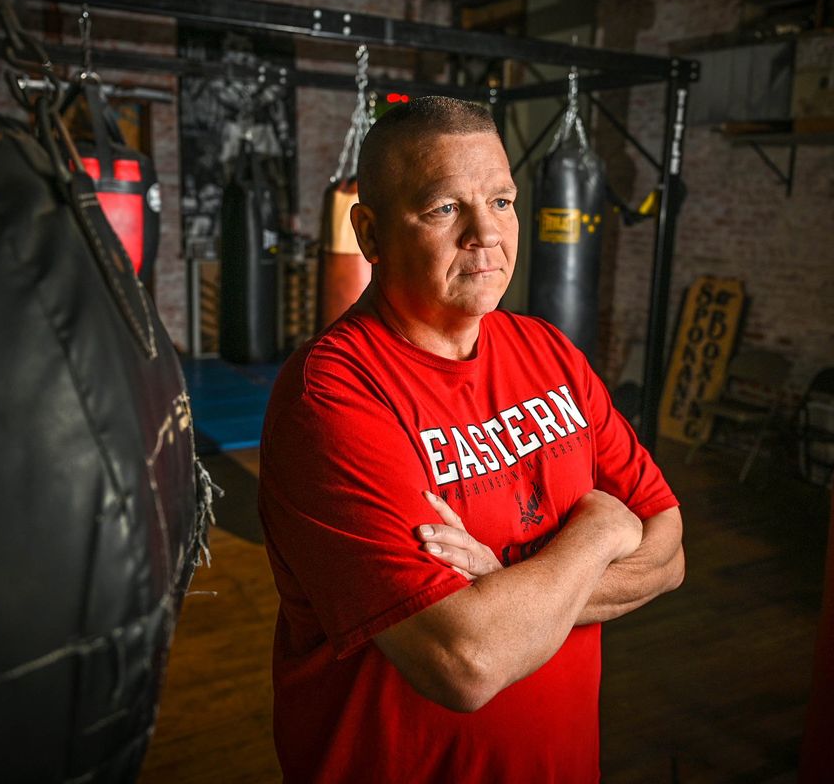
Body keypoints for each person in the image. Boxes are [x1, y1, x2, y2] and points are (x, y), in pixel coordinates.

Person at [258, 96, 684, 783]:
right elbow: (468, 662)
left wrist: (504, 586)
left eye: (503, 200)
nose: (487, 232)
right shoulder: (331, 397)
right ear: (368, 234)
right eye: (443, 209)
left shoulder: (549, 351)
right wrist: (598, 529)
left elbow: (670, 552)